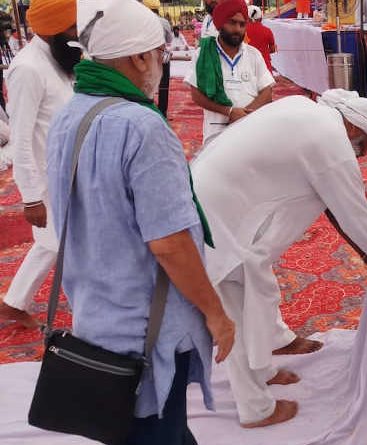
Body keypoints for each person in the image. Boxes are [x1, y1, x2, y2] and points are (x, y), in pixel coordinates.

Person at [47, 0, 235, 442]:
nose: (160, 66)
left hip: (95, 314)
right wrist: (217, 315)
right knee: (156, 429)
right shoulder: (142, 127)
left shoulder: (68, 114)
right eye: (159, 55)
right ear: (138, 58)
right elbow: (169, 244)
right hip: (145, 331)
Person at [191, 89, 367, 428]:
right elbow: (358, 219)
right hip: (219, 220)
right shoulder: (330, 142)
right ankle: (255, 409)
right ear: (354, 128)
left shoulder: (304, 109)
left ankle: (263, 369)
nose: (362, 155)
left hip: (216, 203)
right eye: (365, 146)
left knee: (256, 292)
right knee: (238, 307)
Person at [0, 0, 81, 329]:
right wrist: (31, 196)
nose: (78, 35)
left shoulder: (59, 59)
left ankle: (13, 302)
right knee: (60, 245)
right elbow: (20, 138)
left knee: (55, 243)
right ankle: (87, 314)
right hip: (46, 177)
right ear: (54, 29)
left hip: (68, 171)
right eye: (73, 29)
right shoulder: (28, 68)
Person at [185, 0, 275, 145]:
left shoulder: (253, 54)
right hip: (216, 134)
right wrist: (229, 111)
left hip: (250, 131)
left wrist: (244, 115)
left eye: (242, 24)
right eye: (232, 23)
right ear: (220, 24)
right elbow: (196, 95)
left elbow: (267, 91)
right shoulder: (203, 55)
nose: (237, 29)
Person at [144, 0, 174, 116]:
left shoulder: (141, 22)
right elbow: (169, 40)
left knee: (146, 82)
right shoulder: (164, 22)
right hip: (162, 56)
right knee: (164, 84)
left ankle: (147, 106)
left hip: (145, 57)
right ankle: (162, 111)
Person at [245, 5, 276, 73]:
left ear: (247, 18)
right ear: (261, 18)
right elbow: (273, 49)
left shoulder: (242, 31)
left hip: (248, 67)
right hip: (265, 67)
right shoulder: (268, 31)